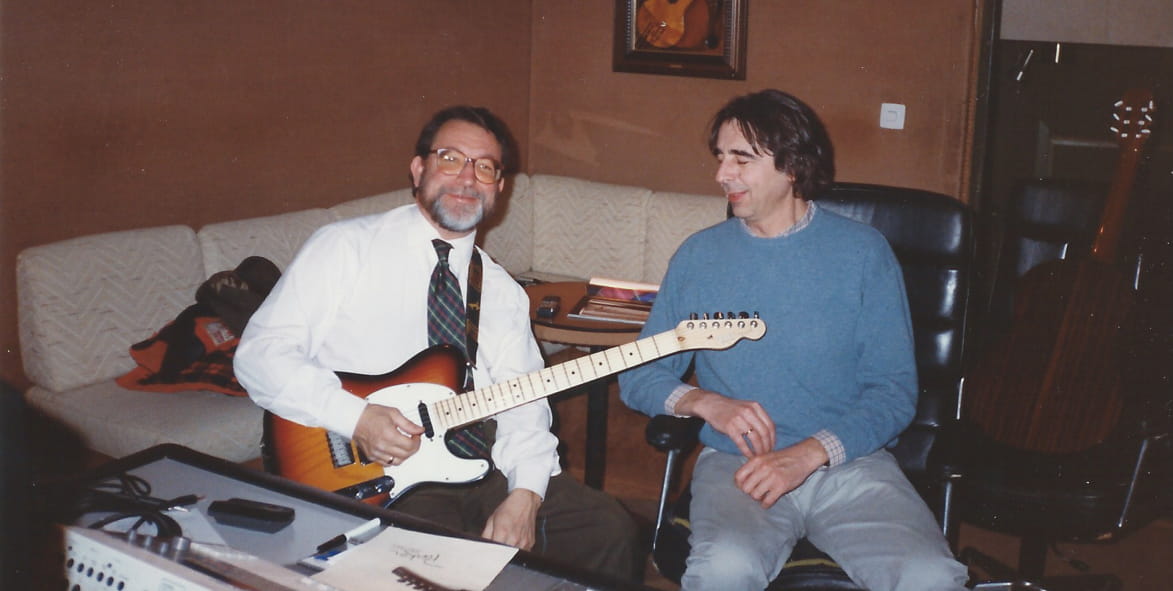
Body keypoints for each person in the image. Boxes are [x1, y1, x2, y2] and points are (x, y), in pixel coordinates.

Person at [235, 105, 639, 581]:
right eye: (450, 159)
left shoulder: (500, 291)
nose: (467, 178)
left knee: (609, 530)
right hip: (375, 479)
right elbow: (259, 356)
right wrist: (356, 417)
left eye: (484, 167)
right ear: (417, 169)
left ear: (499, 188)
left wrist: (525, 495)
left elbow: (523, 402)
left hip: (475, 461)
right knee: (450, 566)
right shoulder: (345, 248)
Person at [618, 90, 969, 591]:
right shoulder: (700, 257)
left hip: (851, 465)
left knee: (930, 577)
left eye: (741, 158)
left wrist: (808, 454)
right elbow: (639, 374)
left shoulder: (863, 254)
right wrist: (705, 403)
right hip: (738, 467)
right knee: (723, 571)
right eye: (720, 157)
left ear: (793, 167)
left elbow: (893, 392)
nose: (722, 174)